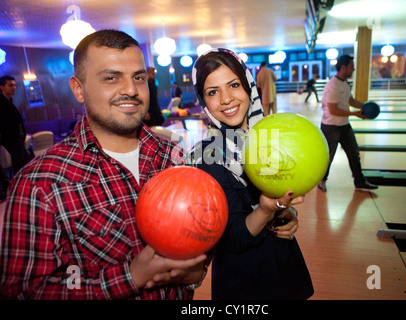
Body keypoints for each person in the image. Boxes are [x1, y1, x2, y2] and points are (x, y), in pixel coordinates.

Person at [0, 30, 206, 299]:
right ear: (78, 89)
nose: (131, 90)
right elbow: (23, 291)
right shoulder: (39, 183)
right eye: (111, 77)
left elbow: (202, 228)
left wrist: (195, 273)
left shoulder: (173, 156)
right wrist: (130, 277)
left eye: (138, 78)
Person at [190, 48, 314, 300]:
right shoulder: (207, 155)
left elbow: (282, 195)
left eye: (234, 85)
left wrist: (288, 213)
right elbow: (232, 238)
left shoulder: (269, 137)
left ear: (248, 87)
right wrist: (267, 210)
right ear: (204, 101)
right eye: (213, 92)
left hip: (285, 264)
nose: (226, 99)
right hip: (245, 279)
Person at [318, 55, 378, 192]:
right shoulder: (332, 85)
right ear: (343, 67)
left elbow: (350, 100)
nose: (354, 69)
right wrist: (355, 114)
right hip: (331, 126)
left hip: (344, 125)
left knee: (353, 153)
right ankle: (322, 181)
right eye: (352, 66)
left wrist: (365, 107)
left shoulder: (344, 83)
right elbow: (333, 110)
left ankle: (359, 181)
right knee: (328, 156)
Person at [0, 75, 32, 175]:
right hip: (10, 142)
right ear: (1, 87)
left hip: (17, 140)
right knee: (19, 168)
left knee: (26, 164)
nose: (14, 87)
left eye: (14, 85)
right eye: (10, 85)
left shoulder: (10, 102)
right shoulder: (1, 103)